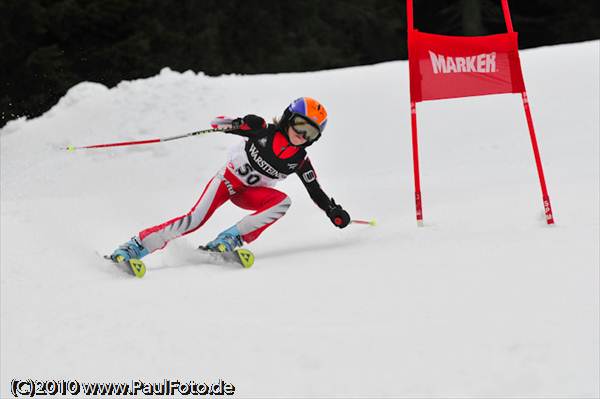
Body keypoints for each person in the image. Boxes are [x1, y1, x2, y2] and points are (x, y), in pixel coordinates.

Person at [110, 97, 351, 263]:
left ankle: (228, 240)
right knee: (194, 220)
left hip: (250, 195)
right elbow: (217, 123)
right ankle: (135, 247)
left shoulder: (300, 160)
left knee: (283, 202)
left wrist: (332, 210)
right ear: (289, 118)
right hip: (227, 181)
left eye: (310, 132)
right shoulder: (263, 131)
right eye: (300, 125)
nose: (301, 134)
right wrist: (239, 123)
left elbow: (314, 189)